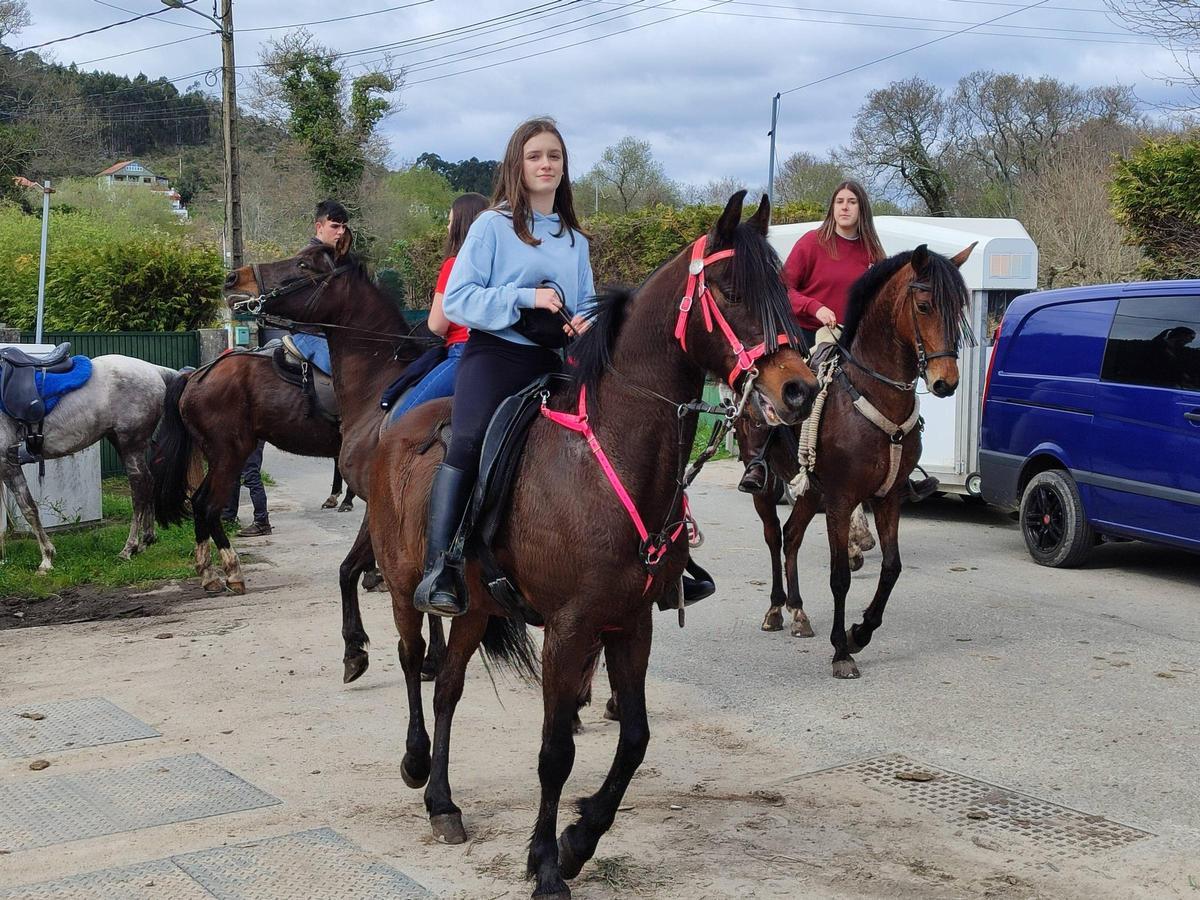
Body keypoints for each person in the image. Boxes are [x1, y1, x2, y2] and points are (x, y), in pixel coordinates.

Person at [413, 117, 595, 618]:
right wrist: (526, 297)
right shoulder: (493, 225)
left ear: (564, 166)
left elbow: (587, 302)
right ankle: (442, 568)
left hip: (550, 360)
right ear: (518, 164)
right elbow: (458, 301)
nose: (545, 164)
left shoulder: (575, 239)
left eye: (554, 156)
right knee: (468, 443)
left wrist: (584, 322)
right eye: (535, 155)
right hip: (495, 356)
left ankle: (662, 555)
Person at [738, 179, 937, 501]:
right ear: (832, 207)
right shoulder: (811, 243)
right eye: (840, 201)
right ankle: (759, 458)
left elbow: (883, 299)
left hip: (852, 336)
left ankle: (901, 470)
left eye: (852, 202)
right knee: (787, 388)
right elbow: (782, 291)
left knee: (892, 387)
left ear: (862, 209)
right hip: (804, 332)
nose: (845, 207)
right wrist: (816, 308)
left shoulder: (872, 250)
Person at [387, 193, 490, 419]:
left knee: (400, 419)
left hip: (463, 354)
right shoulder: (496, 263)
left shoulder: (455, 264)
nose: (447, 226)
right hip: (498, 355)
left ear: (461, 225)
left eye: (451, 220)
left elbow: (437, 324)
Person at [223, 439, 272, 536]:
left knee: (251, 474)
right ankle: (227, 517)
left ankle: (262, 521)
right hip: (242, 432)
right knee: (233, 472)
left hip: (253, 432)